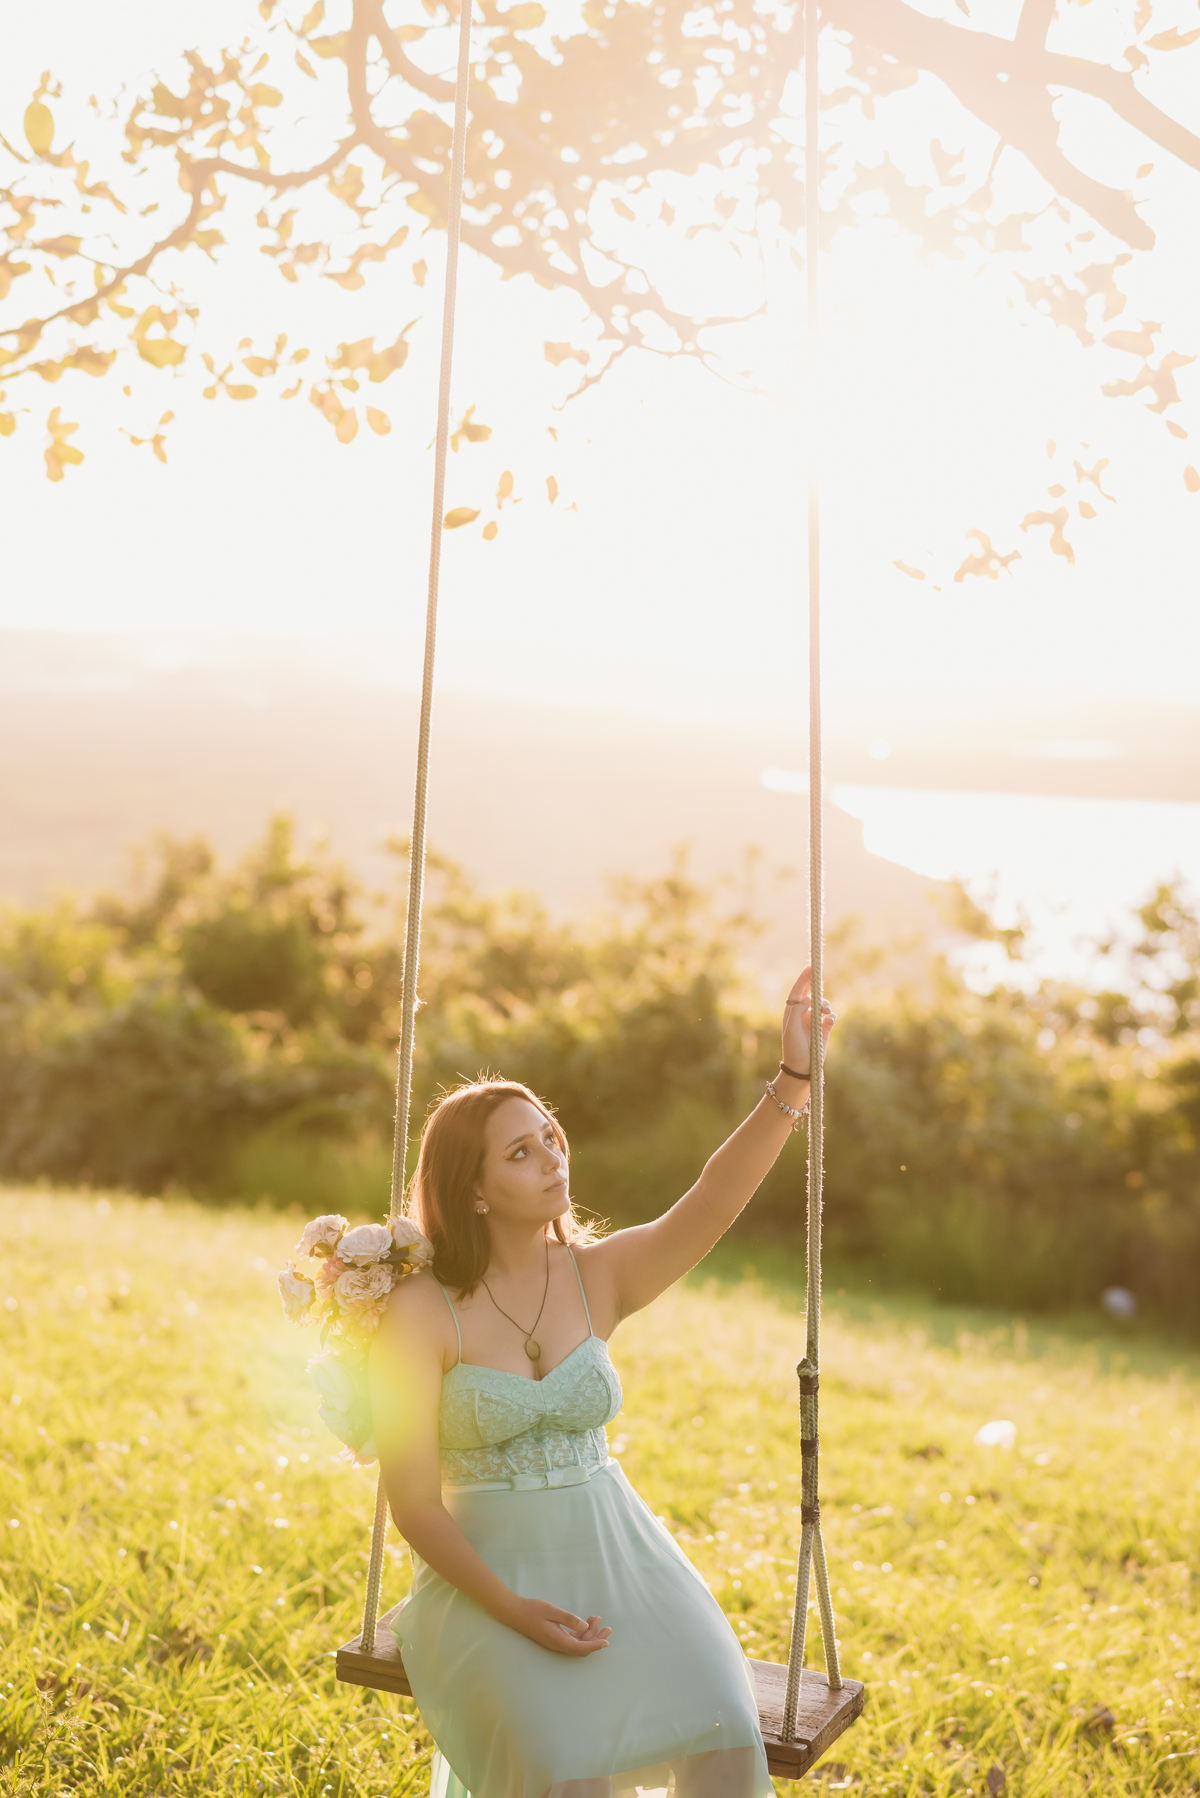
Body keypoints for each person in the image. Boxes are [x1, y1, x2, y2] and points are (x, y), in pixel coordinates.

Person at [369, 966, 835, 1798]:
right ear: (472, 1191)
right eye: (520, 1151)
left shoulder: (599, 1275)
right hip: (482, 1574)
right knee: (560, 1766)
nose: (551, 1157)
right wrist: (512, 1609)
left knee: (725, 1720)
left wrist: (794, 1077)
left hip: (619, 1546)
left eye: (550, 1134)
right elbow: (413, 1505)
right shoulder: (420, 1311)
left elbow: (713, 1196)